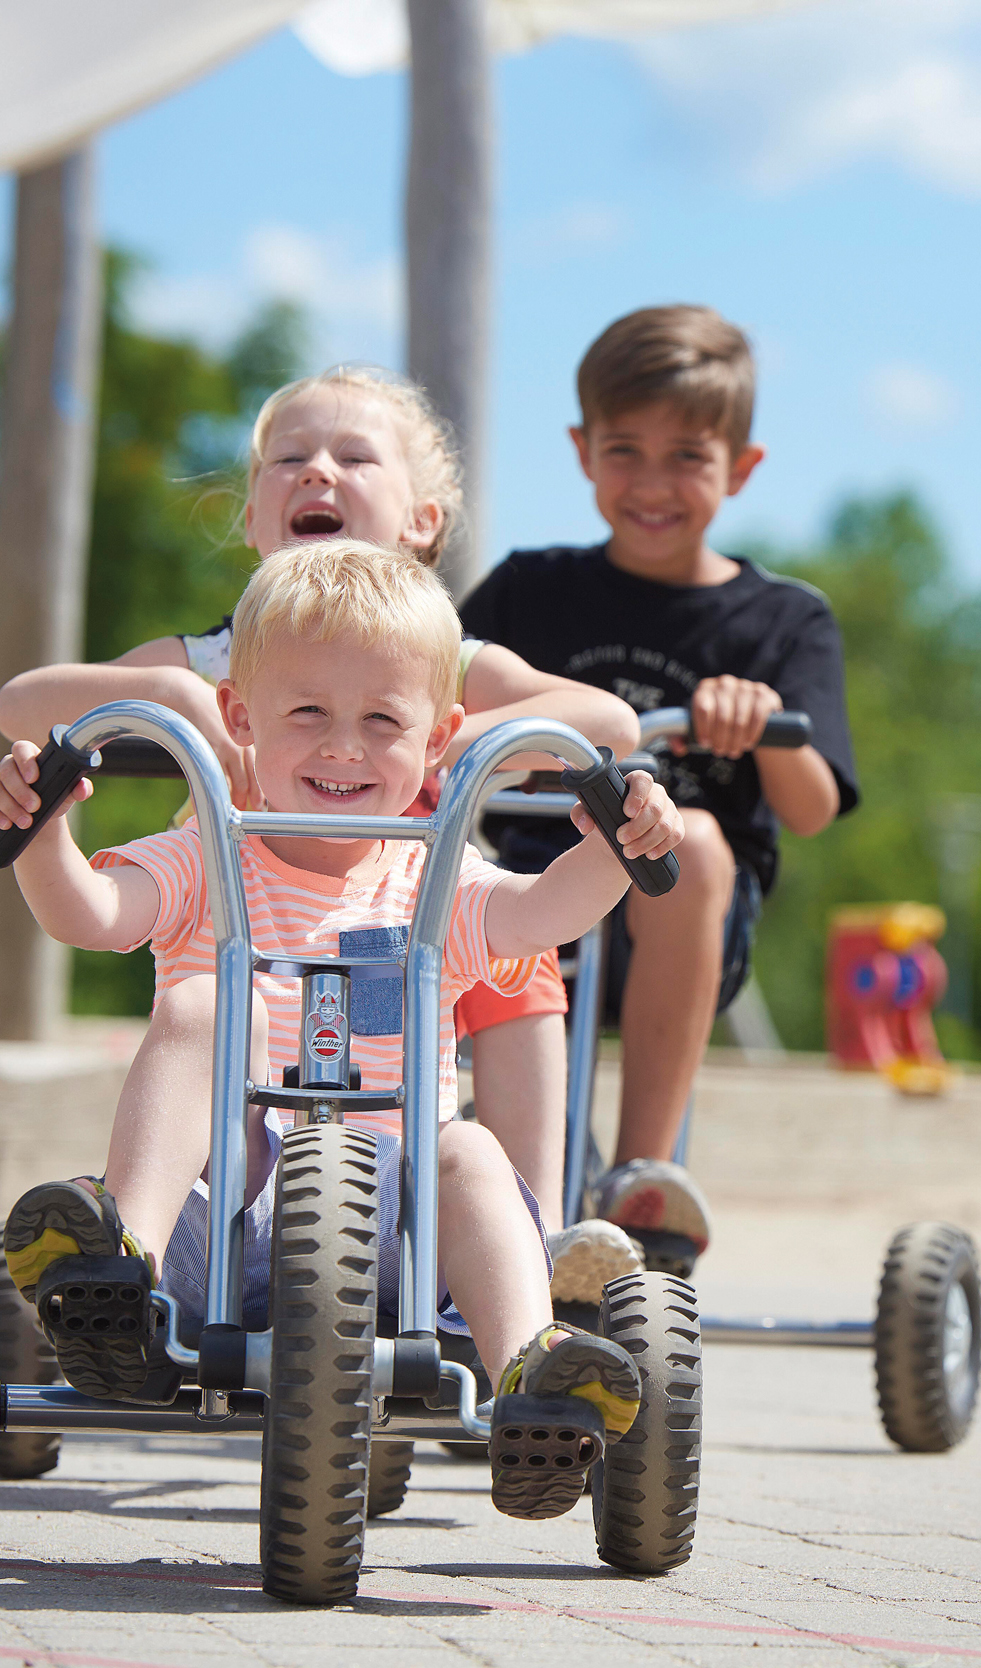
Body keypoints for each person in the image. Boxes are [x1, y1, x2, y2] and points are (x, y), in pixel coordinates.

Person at [0, 541, 682, 1519]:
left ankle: (534, 1370)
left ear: (438, 737)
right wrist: (41, 835)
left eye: (380, 721)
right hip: (223, 1224)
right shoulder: (208, 855)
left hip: (404, 1246)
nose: (343, 748)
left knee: (472, 1151)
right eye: (309, 713)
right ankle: (127, 1277)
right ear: (239, 718)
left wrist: (621, 845)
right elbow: (90, 916)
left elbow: (543, 914)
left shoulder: (433, 877)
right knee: (200, 1006)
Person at [0, 366, 643, 1303]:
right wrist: (170, 705)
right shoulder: (219, 658)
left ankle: (531, 1246)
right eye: (289, 459)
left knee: (513, 976)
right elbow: (24, 703)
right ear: (253, 516)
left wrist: (451, 751)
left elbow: (608, 726)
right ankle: (121, 1272)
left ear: (421, 519)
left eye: (353, 457)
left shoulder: (442, 657)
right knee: (210, 1006)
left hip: (415, 894)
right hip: (247, 885)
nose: (318, 474)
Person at [461, 305, 860, 1276]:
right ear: (582, 451)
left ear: (742, 468)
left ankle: (642, 1176)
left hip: (679, 933)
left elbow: (811, 809)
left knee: (700, 841)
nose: (651, 483)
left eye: (687, 456)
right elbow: (431, 709)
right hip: (528, 908)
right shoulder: (528, 592)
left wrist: (762, 724)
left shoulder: (780, 621)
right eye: (624, 451)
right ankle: (514, 1229)